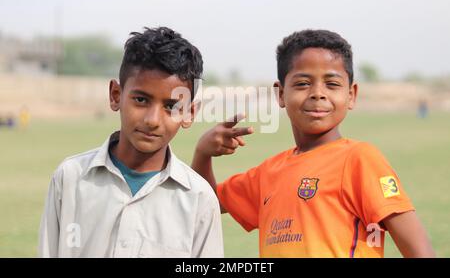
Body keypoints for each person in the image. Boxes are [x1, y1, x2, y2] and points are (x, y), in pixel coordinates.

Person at [191, 29, 435, 258]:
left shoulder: (360, 159)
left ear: (351, 95)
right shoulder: (268, 173)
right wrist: (203, 153)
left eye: (332, 84)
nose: (318, 93)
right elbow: (206, 202)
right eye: (302, 83)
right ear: (280, 94)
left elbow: (420, 251)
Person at [39, 27, 223, 258]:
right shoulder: (70, 178)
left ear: (189, 113)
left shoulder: (199, 199)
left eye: (171, 107)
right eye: (141, 100)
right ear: (116, 95)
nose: (152, 120)